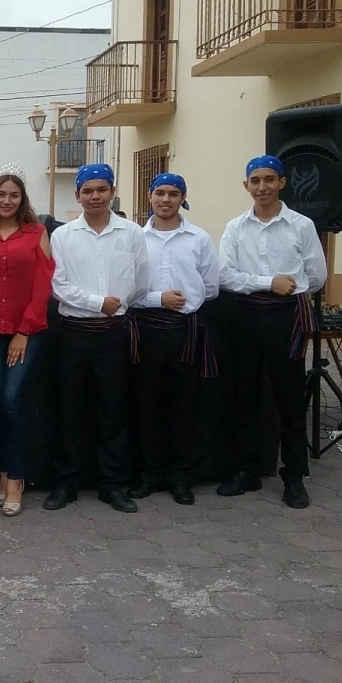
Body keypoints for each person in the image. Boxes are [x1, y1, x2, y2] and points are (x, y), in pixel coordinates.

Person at [217, 155, 327, 508]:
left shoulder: (301, 225)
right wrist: (269, 282)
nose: (261, 187)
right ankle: (246, 470)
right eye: (255, 181)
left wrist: (287, 289)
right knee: (245, 395)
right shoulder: (235, 227)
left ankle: (294, 476)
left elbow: (317, 275)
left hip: (286, 318)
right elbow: (226, 275)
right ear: (246, 185)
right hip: (247, 316)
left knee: (290, 398)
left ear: (281, 182)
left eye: (268, 180)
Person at [44, 164, 150, 514]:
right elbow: (58, 285)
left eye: (101, 190)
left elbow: (141, 282)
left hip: (113, 335)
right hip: (74, 334)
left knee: (113, 410)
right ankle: (66, 482)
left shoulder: (132, 233)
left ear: (112, 192)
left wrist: (115, 305)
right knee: (69, 409)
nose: (94, 196)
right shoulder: (62, 236)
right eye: (87, 191)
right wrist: (96, 303)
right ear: (77, 195)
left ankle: (112, 484)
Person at [0, 164, 54, 517]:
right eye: (1, 194)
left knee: (13, 399)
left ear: (22, 199)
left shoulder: (36, 233)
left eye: (13, 195)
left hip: (27, 331)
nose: (7, 200)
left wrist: (24, 331)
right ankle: (2, 473)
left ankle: (16, 478)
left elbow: (43, 285)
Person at [127, 173, 219, 506]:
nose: (166, 200)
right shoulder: (136, 238)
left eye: (174, 193)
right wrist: (158, 299)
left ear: (183, 198)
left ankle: (181, 477)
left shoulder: (199, 239)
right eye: (160, 193)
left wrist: (183, 303)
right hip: (146, 329)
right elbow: (129, 290)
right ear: (149, 196)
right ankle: (149, 475)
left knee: (185, 406)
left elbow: (211, 288)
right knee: (147, 406)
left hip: (185, 332)